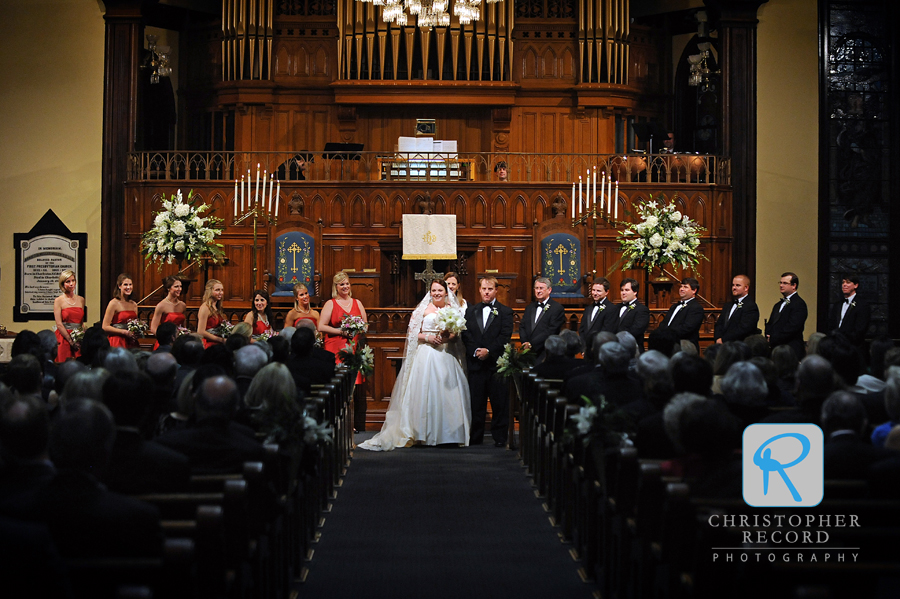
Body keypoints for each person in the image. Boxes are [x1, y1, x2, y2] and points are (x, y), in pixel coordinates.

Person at [359, 279, 471, 450]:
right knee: (423, 391)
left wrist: (447, 337)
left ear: (446, 292)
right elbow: (412, 334)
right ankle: (420, 432)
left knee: (447, 392)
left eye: (440, 290)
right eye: (434, 290)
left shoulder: (452, 310)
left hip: (445, 354)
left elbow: (456, 335)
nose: (437, 293)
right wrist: (428, 337)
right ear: (430, 292)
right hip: (425, 353)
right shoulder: (422, 310)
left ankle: (448, 434)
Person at [463, 276, 515, 447]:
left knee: (499, 403)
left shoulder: (505, 312)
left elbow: (504, 336)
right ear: (479, 290)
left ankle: (500, 438)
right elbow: (466, 334)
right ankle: (475, 438)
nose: (486, 292)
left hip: (496, 365)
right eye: (484, 289)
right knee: (476, 403)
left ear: (496, 290)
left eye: (490, 289)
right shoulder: (471, 311)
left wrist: (489, 351)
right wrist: (476, 351)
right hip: (476, 364)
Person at [318, 272, 368, 361]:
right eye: (342, 284)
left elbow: (365, 325)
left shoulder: (358, 303)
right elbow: (321, 326)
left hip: (354, 344)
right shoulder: (330, 304)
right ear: (336, 287)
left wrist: (358, 330)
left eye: (347, 283)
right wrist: (341, 332)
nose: (345, 286)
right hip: (335, 345)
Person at [519, 277, 565, 363]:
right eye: (536, 288)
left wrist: (532, 344)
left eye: (541, 288)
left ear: (549, 290)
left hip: (545, 352)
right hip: (527, 352)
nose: (538, 291)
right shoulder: (530, 307)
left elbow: (551, 330)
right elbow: (522, 326)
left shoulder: (557, 308)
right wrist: (525, 342)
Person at [765, 272, 808, 358]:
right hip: (776, 349)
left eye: (785, 283)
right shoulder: (777, 305)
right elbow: (771, 323)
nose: (781, 285)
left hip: (791, 349)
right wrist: (768, 335)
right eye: (780, 283)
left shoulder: (799, 304)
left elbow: (792, 327)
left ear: (794, 286)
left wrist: (774, 338)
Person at [655, 277, 705, 350]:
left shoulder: (696, 308)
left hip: (684, 346)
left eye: (685, 287)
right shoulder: (674, 306)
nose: (681, 289)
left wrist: (667, 335)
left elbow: (687, 328)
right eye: (681, 286)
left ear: (694, 290)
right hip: (668, 343)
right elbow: (664, 323)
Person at [714, 274, 760, 343]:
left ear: (746, 288)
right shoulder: (728, 305)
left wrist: (724, 340)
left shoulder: (750, 306)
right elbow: (719, 324)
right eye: (733, 285)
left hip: (739, 346)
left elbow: (744, 329)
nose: (734, 288)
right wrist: (718, 338)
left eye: (738, 285)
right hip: (723, 347)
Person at [827, 274, 871, 348]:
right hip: (835, 346)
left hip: (853, 346)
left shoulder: (862, 305)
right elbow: (831, 324)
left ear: (855, 285)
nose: (844, 285)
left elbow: (860, 329)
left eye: (848, 282)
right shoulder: (837, 304)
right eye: (843, 282)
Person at [578, 277, 617, 356]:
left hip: (601, 351)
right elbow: (582, 330)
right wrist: (584, 349)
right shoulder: (588, 308)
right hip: (586, 352)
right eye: (593, 290)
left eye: (598, 291)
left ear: (607, 292)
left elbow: (607, 331)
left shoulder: (612, 309)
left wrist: (593, 349)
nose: (595, 293)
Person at [53, 269, 85, 362]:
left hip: (78, 337)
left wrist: (81, 337)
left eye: (73, 281)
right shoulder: (58, 300)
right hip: (64, 338)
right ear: (63, 284)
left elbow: (81, 322)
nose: (71, 284)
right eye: (68, 282)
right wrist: (71, 341)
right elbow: (59, 324)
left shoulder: (81, 300)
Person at [101, 273, 139, 349]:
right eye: (125, 285)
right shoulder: (113, 303)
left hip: (131, 341)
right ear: (119, 286)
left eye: (130, 284)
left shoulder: (134, 304)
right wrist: (124, 332)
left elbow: (135, 324)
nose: (128, 287)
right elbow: (105, 326)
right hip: (117, 340)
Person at [150, 276, 186, 351]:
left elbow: (184, 326)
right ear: (168, 288)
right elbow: (153, 328)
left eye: (180, 286)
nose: (179, 289)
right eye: (176, 286)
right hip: (165, 344)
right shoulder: (161, 305)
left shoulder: (182, 305)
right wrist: (165, 339)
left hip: (178, 343)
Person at [615, 278, 650, 351]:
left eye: (627, 290)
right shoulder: (615, 308)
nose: (623, 293)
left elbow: (636, 330)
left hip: (633, 350)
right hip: (615, 349)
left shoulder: (642, 309)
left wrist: (617, 338)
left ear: (635, 292)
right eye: (622, 290)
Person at [197, 279, 226, 348]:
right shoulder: (205, 307)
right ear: (210, 291)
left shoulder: (217, 306)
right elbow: (200, 331)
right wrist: (220, 340)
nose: (220, 292)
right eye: (217, 290)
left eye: (222, 290)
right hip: (209, 343)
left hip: (218, 342)